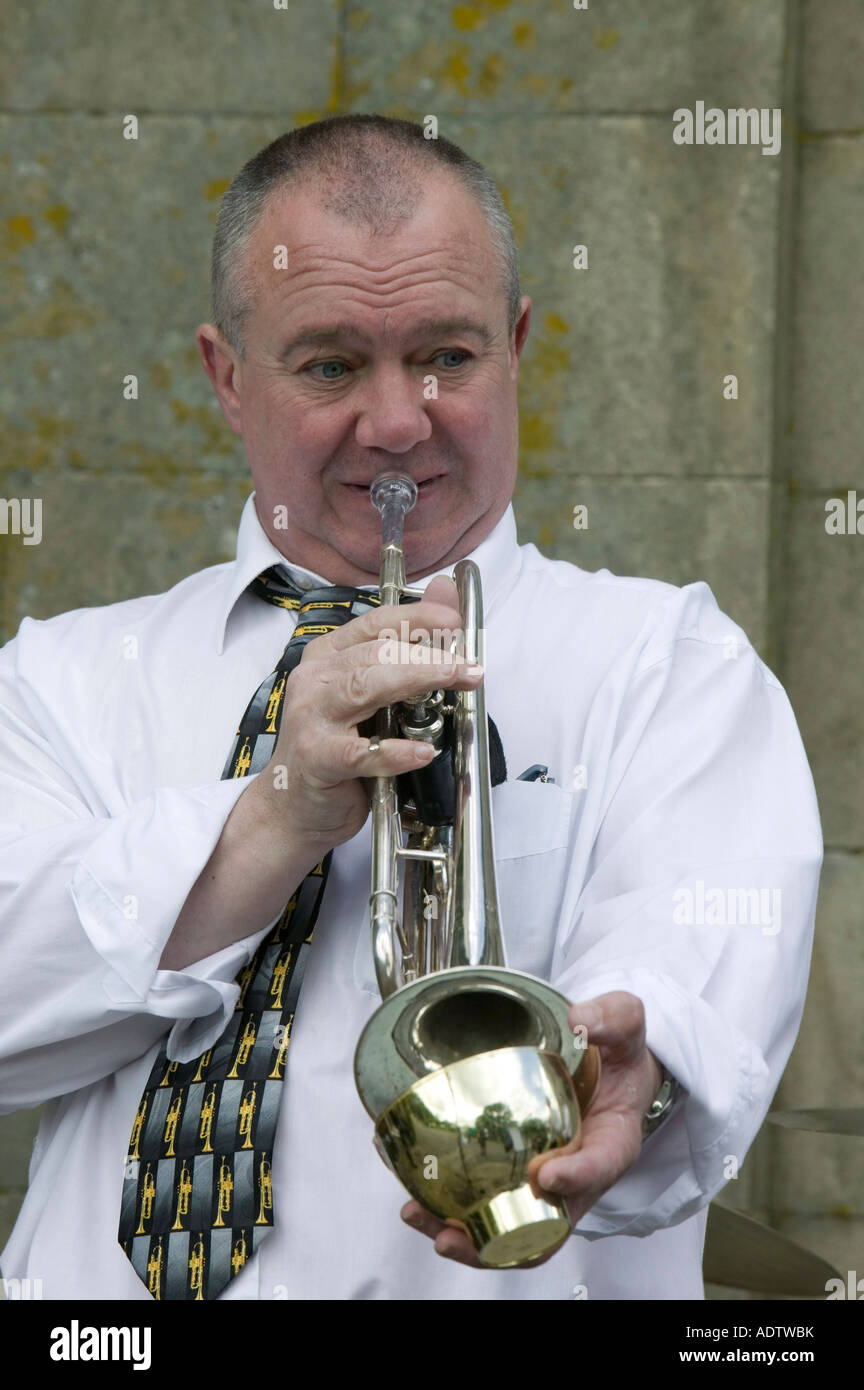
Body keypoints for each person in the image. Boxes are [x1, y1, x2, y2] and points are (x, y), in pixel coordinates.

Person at [0, 114, 822, 1301]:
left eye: (448, 355)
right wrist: (271, 818)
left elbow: (694, 959)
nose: (398, 421)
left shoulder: (670, 660)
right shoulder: (63, 678)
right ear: (228, 377)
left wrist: (639, 1070)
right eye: (331, 364)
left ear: (519, 346)